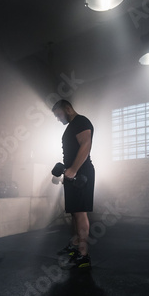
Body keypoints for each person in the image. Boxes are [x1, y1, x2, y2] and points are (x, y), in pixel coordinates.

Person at [52, 99, 95, 269]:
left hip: (81, 172)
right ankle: (75, 245)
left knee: (80, 213)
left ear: (67, 108)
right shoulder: (71, 126)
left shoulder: (81, 121)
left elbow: (86, 144)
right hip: (73, 172)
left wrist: (74, 169)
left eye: (58, 114)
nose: (58, 118)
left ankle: (83, 256)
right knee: (74, 213)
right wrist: (67, 172)